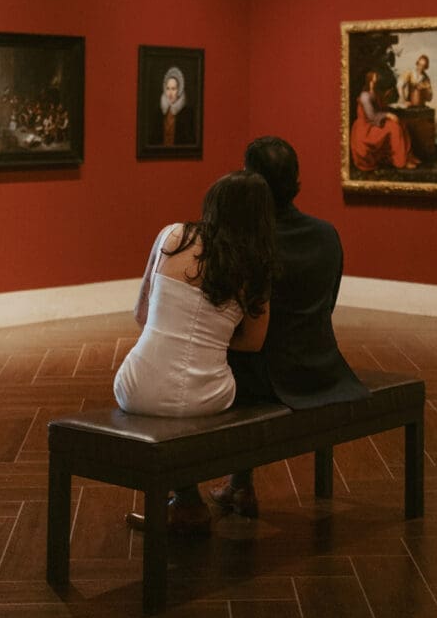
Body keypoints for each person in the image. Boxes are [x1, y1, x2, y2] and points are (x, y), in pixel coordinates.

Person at [211, 136, 370, 519]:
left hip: (271, 377)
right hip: (323, 368)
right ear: (296, 180)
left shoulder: (247, 242)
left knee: (196, 366)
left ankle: (187, 496)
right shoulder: (327, 235)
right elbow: (325, 308)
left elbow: (228, 320)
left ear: (250, 182)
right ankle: (239, 484)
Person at [116, 170, 277, 535]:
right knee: (191, 400)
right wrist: (213, 338)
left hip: (135, 386)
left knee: (165, 396)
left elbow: (141, 315)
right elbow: (253, 343)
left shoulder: (172, 237)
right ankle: (216, 493)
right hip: (210, 395)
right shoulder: (256, 268)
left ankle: (187, 502)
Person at [350, 70, 419, 172]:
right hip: (367, 127)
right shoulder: (365, 95)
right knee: (394, 128)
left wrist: (401, 104)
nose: (377, 79)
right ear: (370, 80)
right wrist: (388, 115)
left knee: (401, 124)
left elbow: (381, 108)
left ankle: (407, 156)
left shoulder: (375, 93)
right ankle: (401, 162)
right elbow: (371, 116)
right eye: (375, 78)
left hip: (376, 122)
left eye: (377, 77)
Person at [150, 66, 196, 146]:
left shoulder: (188, 113)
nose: (170, 93)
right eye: (168, 88)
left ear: (179, 90)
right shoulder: (158, 112)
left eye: (173, 89)